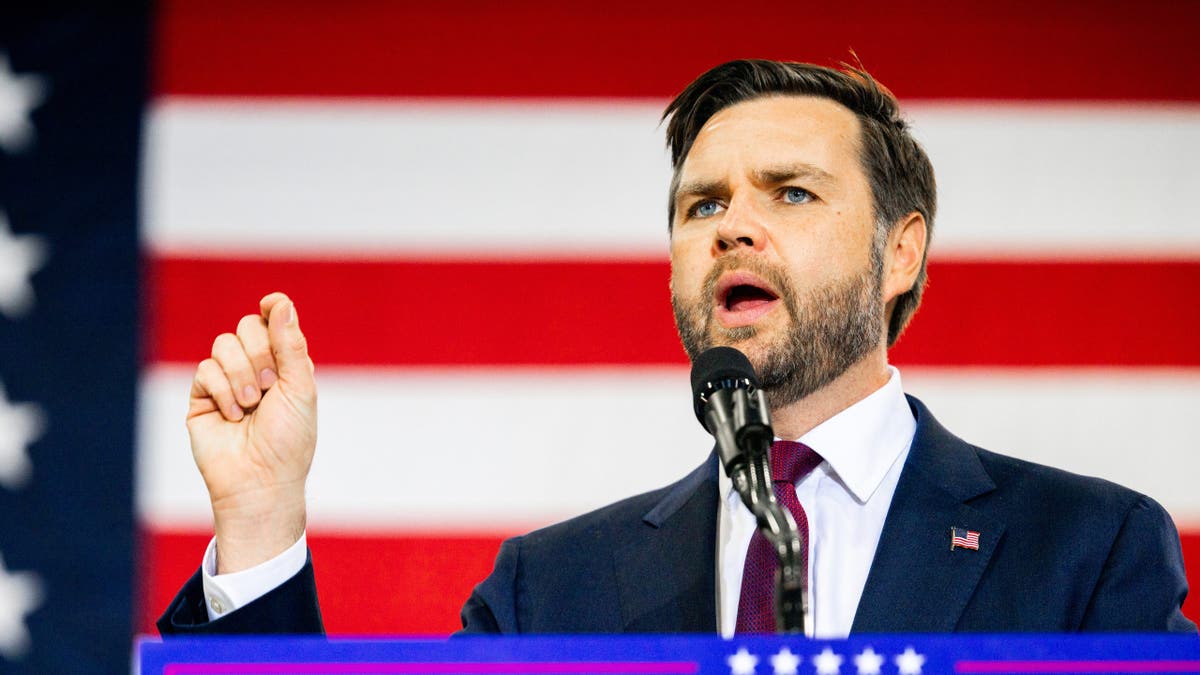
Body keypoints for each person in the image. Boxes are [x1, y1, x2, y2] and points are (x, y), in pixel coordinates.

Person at [158, 59, 1195, 636]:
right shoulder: (551, 591)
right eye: (703, 204)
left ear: (901, 253)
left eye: (791, 192)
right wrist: (259, 529)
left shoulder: (1086, 553)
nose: (732, 227)